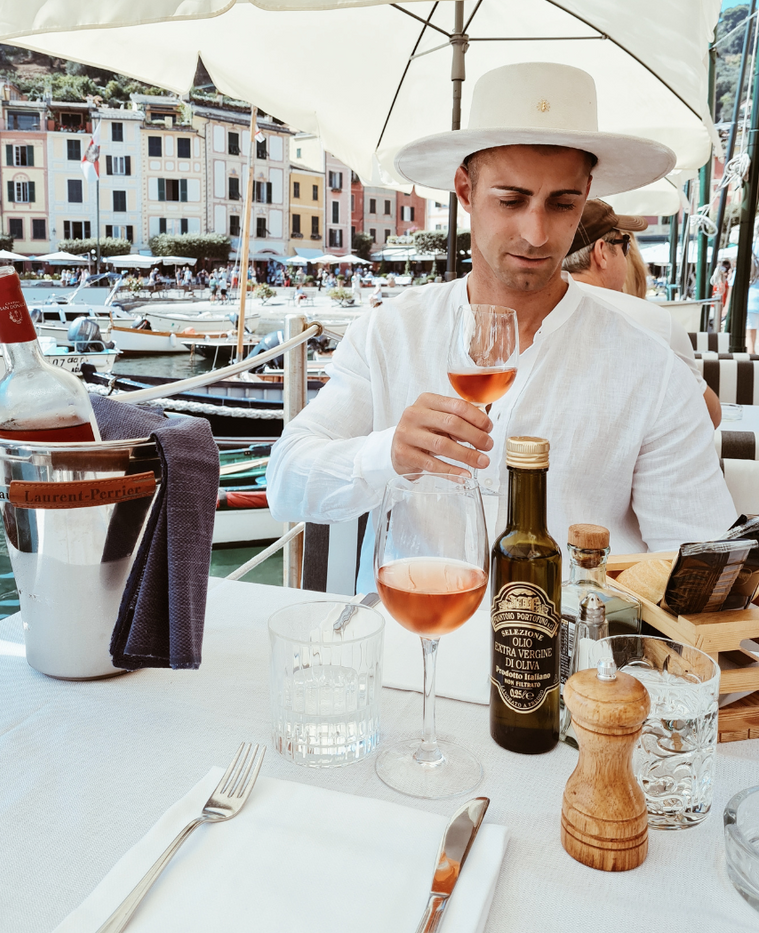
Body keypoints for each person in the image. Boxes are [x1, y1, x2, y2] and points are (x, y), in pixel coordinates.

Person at [267, 62, 735, 589]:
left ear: (586, 196)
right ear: (465, 191)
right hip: (416, 647)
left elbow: (699, 569)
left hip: (568, 657)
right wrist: (387, 453)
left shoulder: (649, 370)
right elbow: (286, 480)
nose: (536, 234)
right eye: (510, 201)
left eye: (562, 204)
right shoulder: (392, 332)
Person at [562, 199, 720, 426]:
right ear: (601, 253)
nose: (627, 255)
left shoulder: (533, 312)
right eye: (624, 245)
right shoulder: (653, 321)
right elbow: (707, 416)